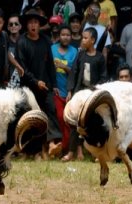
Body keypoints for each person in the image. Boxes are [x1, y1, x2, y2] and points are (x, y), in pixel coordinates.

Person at [15, 9, 63, 158]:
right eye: (30, 23)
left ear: (39, 25)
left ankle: (52, 144)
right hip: (29, 87)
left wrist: (54, 84)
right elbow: (22, 68)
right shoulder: (21, 42)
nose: (33, 25)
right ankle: (32, 152)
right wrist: (36, 82)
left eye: (36, 22)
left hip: (46, 85)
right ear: (27, 25)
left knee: (51, 110)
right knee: (32, 119)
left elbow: (50, 65)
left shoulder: (46, 41)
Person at [66, 27, 107, 161]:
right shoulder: (81, 55)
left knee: (94, 123)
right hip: (79, 92)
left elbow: (103, 77)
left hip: (92, 95)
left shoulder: (100, 57)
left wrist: (96, 90)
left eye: (85, 38)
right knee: (75, 123)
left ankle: (96, 152)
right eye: (82, 38)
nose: (82, 40)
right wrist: (70, 90)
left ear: (93, 40)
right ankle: (72, 152)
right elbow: (74, 72)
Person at [51, 25, 78, 160]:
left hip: (68, 92)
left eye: (68, 35)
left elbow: (75, 72)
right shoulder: (52, 49)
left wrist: (63, 67)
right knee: (59, 119)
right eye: (63, 35)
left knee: (68, 121)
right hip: (56, 91)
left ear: (71, 37)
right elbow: (48, 70)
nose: (65, 37)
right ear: (59, 36)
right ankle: (61, 147)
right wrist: (52, 86)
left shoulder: (74, 51)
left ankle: (67, 149)